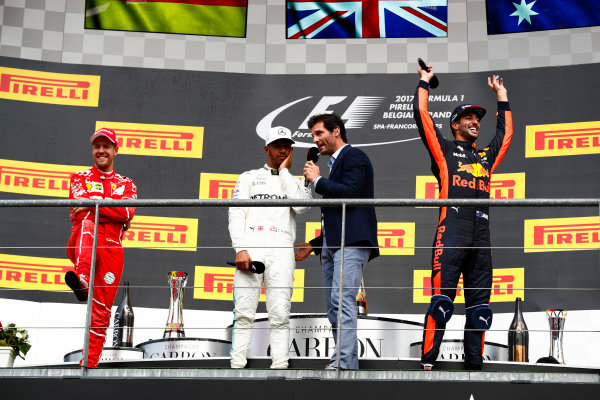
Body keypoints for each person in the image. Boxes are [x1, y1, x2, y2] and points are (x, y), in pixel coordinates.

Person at [413, 65, 513, 370]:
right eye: (469, 117)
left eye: (478, 119)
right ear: (455, 124)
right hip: (452, 232)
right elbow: (422, 117)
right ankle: (428, 363)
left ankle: (474, 366)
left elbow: (505, 134)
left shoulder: (485, 158)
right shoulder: (443, 151)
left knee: (480, 309)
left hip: (482, 238)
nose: (475, 122)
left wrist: (502, 97)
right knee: (441, 303)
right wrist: (423, 83)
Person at [228, 126, 311, 369]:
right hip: (251, 248)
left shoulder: (296, 183)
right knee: (243, 311)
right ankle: (236, 366)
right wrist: (240, 249)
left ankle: (280, 365)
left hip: (283, 252)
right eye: (277, 145)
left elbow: (303, 208)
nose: (283, 150)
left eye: (287, 146)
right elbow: (236, 215)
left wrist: (285, 173)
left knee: (280, 313)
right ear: (267, 148)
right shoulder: (248, 177)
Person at [303, 113, 379, 370]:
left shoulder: (355, 156)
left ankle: (343, 362)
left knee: (342, 300)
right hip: (331, 245)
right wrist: (315, 245)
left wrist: (317, 181)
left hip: (352, 242)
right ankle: (346, 361)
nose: (315, 141)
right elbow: (336, 214)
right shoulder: (334, 164)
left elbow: (352, 193)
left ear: (336, 131)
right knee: (333, 306)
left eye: (319, 134)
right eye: (313, 135)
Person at [64, 128, 137, 368]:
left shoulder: (127, 183)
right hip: (85, 240)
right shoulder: (79, 177)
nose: (101, 150)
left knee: (102, 310)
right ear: (93, 150)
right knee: (88, 223)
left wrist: (93, 204)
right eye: (97, 146)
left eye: (106, 146)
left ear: (116, 150)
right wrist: (112, 213)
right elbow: (79, 214)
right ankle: (82, 278)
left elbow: (127, 212)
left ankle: (89, 364)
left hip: (113, 249)